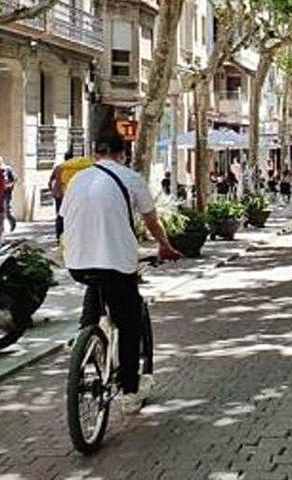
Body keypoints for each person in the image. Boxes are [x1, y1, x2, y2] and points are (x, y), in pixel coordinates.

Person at [60, 142, 182, 414]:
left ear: (95, 154)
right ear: (123, 154)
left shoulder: (78, 178)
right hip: (116, 263)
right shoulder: (130, 177)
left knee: (96, 291)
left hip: (77, 263)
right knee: (128, 324)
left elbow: (64, 218)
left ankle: (87, 338)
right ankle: (129, 391)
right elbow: (152, 221)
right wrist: (165, 245)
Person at [48, 150, 75, 239]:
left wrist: (52, 190)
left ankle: (59, 235)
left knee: (60, 215)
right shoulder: (75, 168)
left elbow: (50, 180)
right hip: (71, 194)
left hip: (59, 194)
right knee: (71, 215)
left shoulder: (59, 168)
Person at [0, 156, 17, 232]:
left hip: (7, 193)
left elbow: (15, 179)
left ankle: (12, 222)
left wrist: (9, 186)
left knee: (7, 210)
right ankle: (1, 228)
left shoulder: (8, 169)